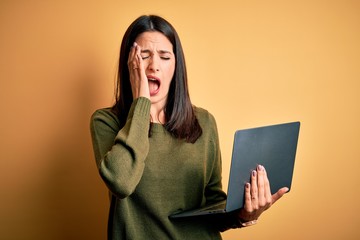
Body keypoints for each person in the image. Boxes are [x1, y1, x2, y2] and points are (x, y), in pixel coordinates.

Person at [90, 15, 288, 240]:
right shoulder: (106, 121)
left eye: (164, 57)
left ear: (176, 66)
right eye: (143, 56)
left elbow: (213, 205)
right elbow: (121, 182)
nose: (154, 65)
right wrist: (141, 104)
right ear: (130, 65)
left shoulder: (203, 121)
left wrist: (244, 214)